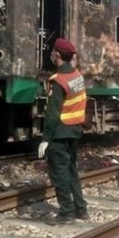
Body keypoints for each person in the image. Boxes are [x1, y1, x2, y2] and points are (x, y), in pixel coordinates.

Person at [38, 38, 88, 225]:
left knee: (59, 174)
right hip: (74, 131)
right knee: (71, 170)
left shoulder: (58, 80)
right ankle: (81, 209)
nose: (52, 53)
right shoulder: (77, 76)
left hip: (59, 133)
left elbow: (52, 114)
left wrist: (45, 139)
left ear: (57, 54)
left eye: (53, 51)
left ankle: (66, 213)